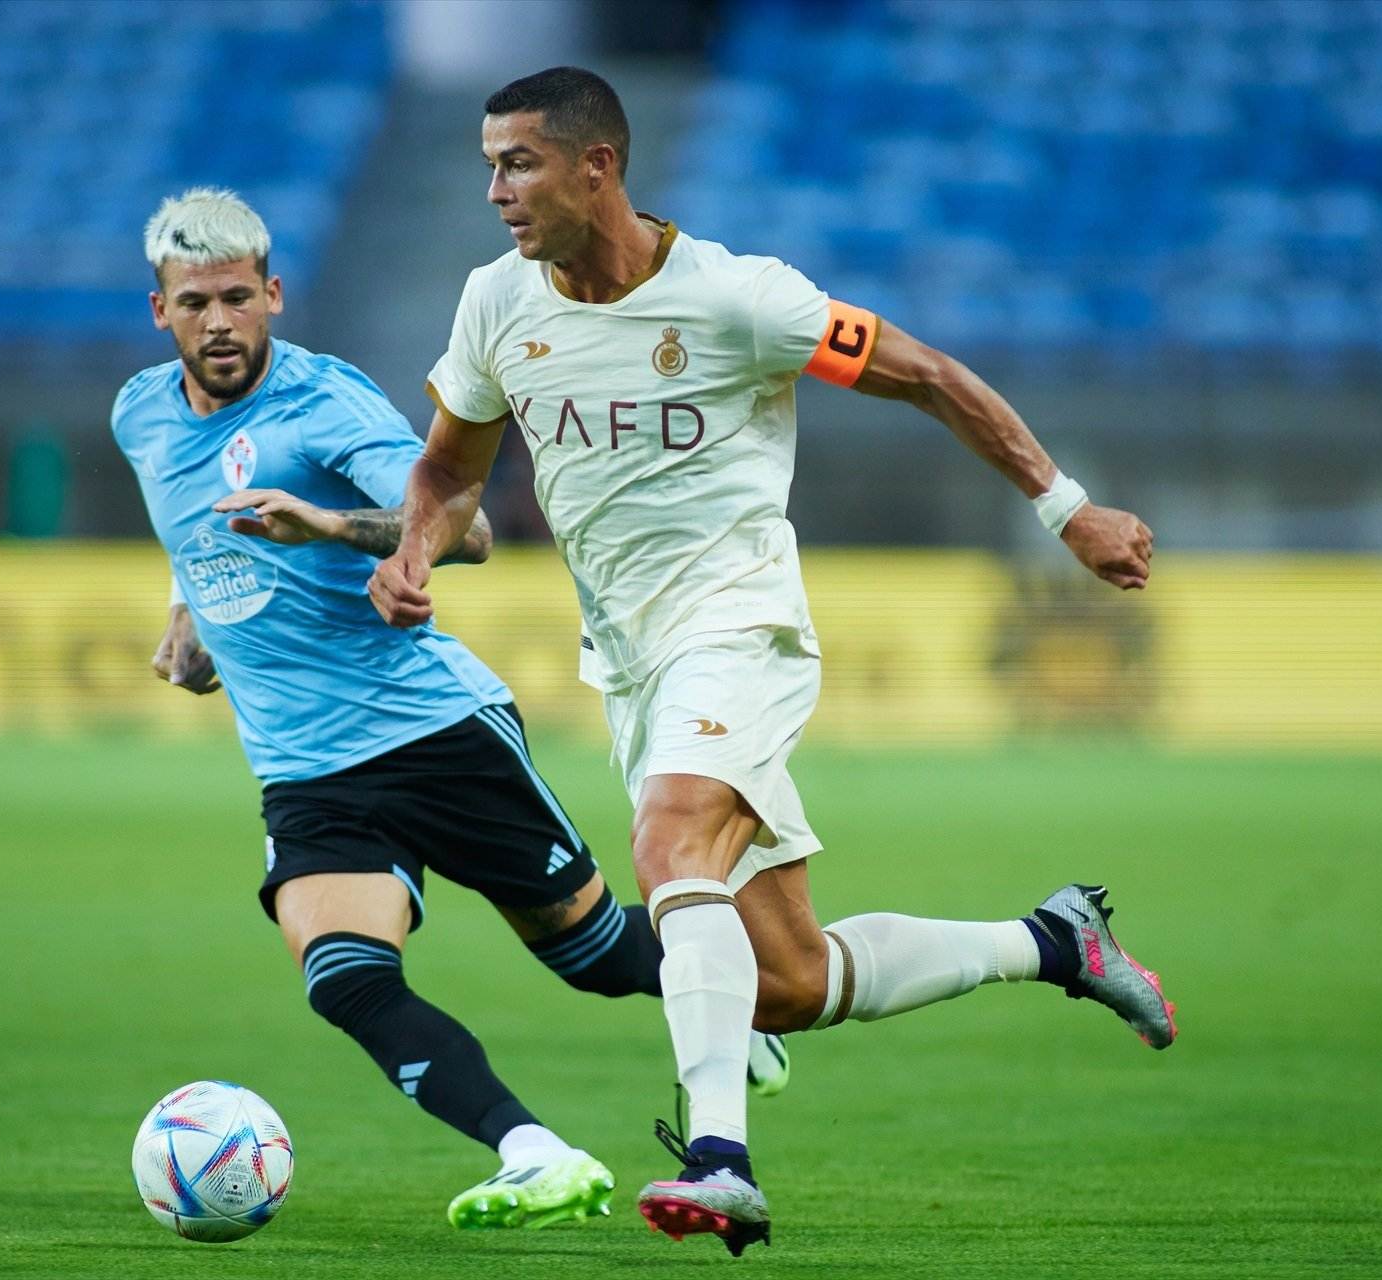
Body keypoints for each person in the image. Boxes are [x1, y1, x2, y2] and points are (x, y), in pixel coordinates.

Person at [367, 68, 1177, 1255]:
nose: (495, 189)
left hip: (740, 626)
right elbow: (449, 468)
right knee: (787, 977)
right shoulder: (496, 304)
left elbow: (932, 376)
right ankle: (1053, 939)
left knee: (669, 844)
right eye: (489, 164)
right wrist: (414, 552)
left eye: (519, 162)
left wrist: (1070, 510)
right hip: (633, 664)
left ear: (599, 165)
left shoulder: (743, 299)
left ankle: (721, 1157)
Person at [111, 187, 789, 1233]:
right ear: (160, 312)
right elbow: (187, 519)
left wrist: (329, 526)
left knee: (594, 952)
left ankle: (725, 996)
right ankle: (537, 1152)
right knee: (343, 977)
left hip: (431, 731)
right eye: (194, 302)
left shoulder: (325, 405)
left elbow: (461, 529)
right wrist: (187, 610)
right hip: (303, 767)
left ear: (273, 295)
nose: (219, 321)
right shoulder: (139, 413)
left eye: (238, 297)